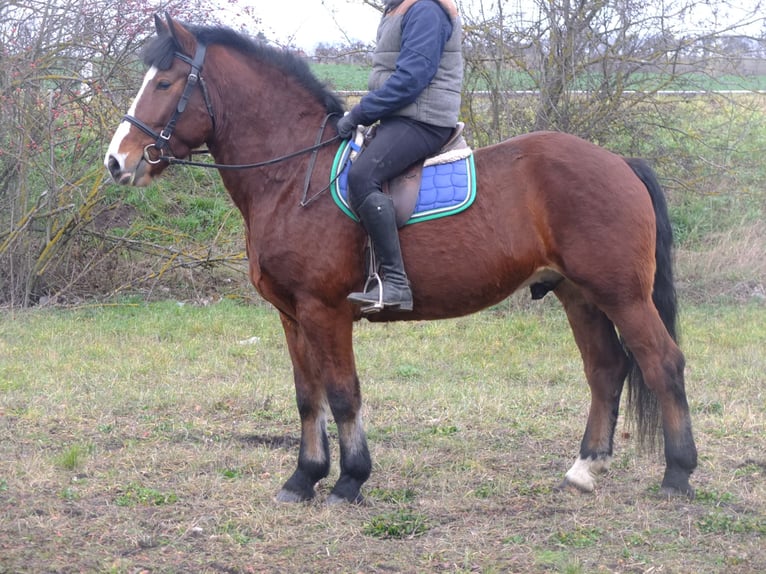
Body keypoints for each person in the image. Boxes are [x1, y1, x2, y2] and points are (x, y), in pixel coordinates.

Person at [336, 0, 463, 312]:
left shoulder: (425, 10)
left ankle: (396, 283)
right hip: (403, 116)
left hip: (424, 118)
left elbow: (410, 80)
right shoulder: (399, 7)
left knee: (363, 176)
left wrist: (360, 113)